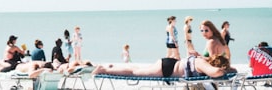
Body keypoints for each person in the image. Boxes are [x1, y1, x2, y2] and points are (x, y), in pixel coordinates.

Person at [93, 53, 234, 80]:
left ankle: (110, 67)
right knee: (135, 73)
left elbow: (233, 70)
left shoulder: (202, 61)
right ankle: (104, 69)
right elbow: (215, 72)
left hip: (169, 64)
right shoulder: (202, 63)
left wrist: (230, 69)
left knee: (138, 70)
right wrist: (224, 70)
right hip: (168, 69)